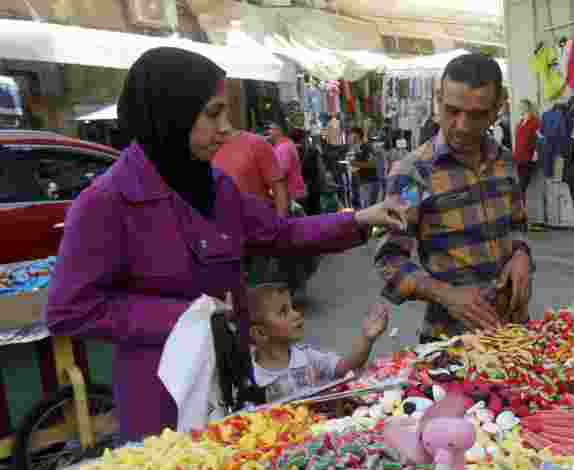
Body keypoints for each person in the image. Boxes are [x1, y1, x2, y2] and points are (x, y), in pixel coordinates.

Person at [45, 47, 411, 441]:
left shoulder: (215, 185)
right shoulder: (107, 202)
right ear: (170, 112)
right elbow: (70, 309)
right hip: (162, 400)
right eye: (213, 113)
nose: (226, 128)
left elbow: (279, 233)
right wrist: (186, 315)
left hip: (233, 380)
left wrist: (357, 219)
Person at [375, 52, 535, 344]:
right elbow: (389, 259)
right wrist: (446, 294)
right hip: (451, 342)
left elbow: (517, 224)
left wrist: (522, 254)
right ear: (438, 98)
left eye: (476, 115)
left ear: (497, 108)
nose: (461, 125)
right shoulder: (414, 172)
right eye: (452, 110)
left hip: (515, 332)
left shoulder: (505, 162)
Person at [248, 283, 388, 402]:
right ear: (261, 333)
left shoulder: (306, 356)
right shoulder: (251, 378)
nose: (296, 314)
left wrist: (367, 338)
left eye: (292, 308)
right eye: (283, 312)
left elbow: (345, 367)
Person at [213, 127, 288, 218]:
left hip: (258, 224)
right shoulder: (199, 151)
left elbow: (278, 188)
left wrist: (280, 225)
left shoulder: (256, 143)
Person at [269, 121, 306, 209]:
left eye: (271, 129)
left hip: (291, 195)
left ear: (279, 131)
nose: (269, 132)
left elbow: (281, 171)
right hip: (292, 194)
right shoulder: (284, 145)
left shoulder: (283, 148)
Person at [513, 99, 541, 195]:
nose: (519, 108)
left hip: (528, 159)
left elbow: (539, 139)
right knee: (518, 188)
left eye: (521, 106)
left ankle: (520, 208)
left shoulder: (535, 122)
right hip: (518, 159)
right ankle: (521, 208)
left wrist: (535, 154)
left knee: (522, 188)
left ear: (527, 107)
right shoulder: (519, 123)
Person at [348, 128, 381, 209]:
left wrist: (354, 163)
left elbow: (372, 164)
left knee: (368, 210)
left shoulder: (367, 147)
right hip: (363, 182)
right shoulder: (358, 148)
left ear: (357, 136)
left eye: (350, 135)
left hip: (370, 183)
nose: (349, 137)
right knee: (365, 209)